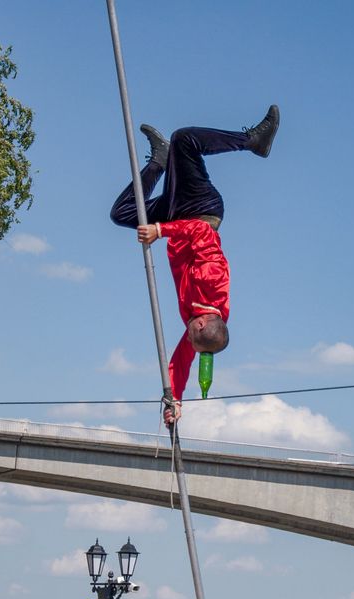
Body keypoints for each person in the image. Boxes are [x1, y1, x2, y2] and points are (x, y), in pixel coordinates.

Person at [110, 107, 280, 423]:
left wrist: (174, 401)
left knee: (122, 213)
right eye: (190, 336)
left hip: (176, 218)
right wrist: (160, 231)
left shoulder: (200, 329)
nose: (185, 338)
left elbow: (181, 361)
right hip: (199, 209)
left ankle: (159, 161)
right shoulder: (212, 283)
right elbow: (200, 231)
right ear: (201, 326)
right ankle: (252, 141)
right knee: (184, 139)